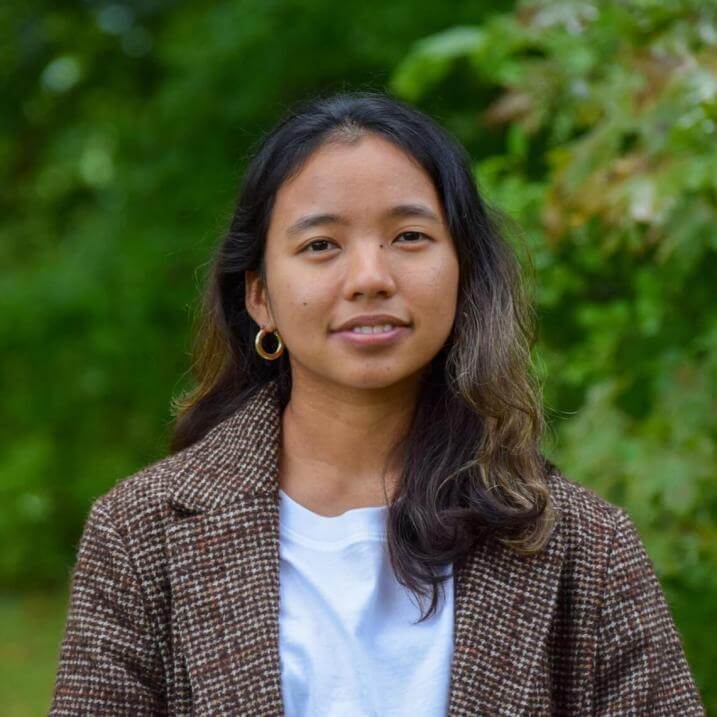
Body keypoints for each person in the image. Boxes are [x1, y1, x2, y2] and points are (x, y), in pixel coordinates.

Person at [49, 90, 705, 716]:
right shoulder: (140, 535)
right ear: (259, 296)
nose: (369, 278)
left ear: (462, 269)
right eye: (320, 245)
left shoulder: (583, 545)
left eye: (409, 236)